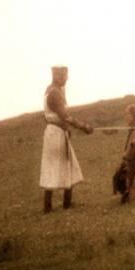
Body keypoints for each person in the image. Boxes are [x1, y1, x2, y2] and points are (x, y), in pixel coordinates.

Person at [39, 66, 93, 213]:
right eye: (63, 76)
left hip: (54, 131)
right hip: (56, 133)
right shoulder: (55, 93)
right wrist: (83, 127)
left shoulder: (50, 90)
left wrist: (66, 128)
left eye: (66, 76)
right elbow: (65, 116)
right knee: (66, 165)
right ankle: (65, 204)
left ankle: (49, 207)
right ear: (56, 76)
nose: (66, 79)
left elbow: (49, 116)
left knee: (53, 167)